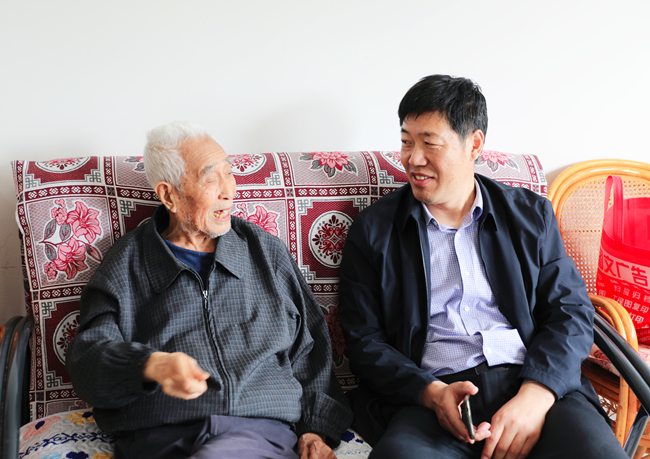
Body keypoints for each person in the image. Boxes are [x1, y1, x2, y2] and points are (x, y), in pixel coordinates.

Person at [338, 75, 628, 459]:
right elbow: (364, 341)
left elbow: (571, 311)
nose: (413, 158)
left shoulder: (530, 215)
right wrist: (431, 393)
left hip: (533, 384)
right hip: (432, 397)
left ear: (474, 144)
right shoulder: (374, 230)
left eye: (429, 143)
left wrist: (537, 395)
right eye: (407, 142)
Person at [66, 121, 351, 459]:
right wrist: (150, 365)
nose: (228, 191)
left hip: (257, 431)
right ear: (169, 195)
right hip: (161, 434)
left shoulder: (264, 253)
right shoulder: (127, 263)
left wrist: (315, 428)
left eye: (228, 173)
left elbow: (312, 350)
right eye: (210, 179)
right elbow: (87, 361)